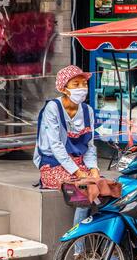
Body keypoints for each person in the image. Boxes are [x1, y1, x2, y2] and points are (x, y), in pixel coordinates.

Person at [33, 65, 100, 247]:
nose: (82, 88)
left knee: (102, 189)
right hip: (52, 163)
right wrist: (78, 173)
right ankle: (77, 246)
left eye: (84, 84)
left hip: (79, 163)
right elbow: (55, 146)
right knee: (83, 191)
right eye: (76, 84)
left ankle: (104, 246)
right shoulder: (53, 109)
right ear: (63, 88)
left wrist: (93, 169)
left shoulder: (88, 111)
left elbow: (90, 146)